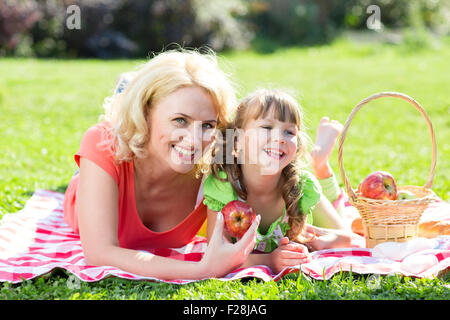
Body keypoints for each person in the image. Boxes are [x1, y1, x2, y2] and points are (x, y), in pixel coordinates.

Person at [62, 49, 261, 280]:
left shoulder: (218, 164)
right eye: (180, 120)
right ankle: (124, 91)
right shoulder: (103, 143)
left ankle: (130, 91)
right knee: (113, 127)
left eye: (207, 125)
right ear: (146, 113)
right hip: (106, 167)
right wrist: (200, 270)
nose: (195, 140)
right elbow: (99, 253)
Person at [202, 89, 352, 274]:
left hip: (319, 196)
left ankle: (320, 164)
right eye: (266, 127)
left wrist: (316, 240)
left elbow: (347, 238)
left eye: (289, 132)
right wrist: (270, 260)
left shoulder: (301, 186)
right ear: (238, 139)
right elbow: (215, 256)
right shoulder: (223, 186)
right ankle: (319, 161)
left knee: (338, 207)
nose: (280, 138)